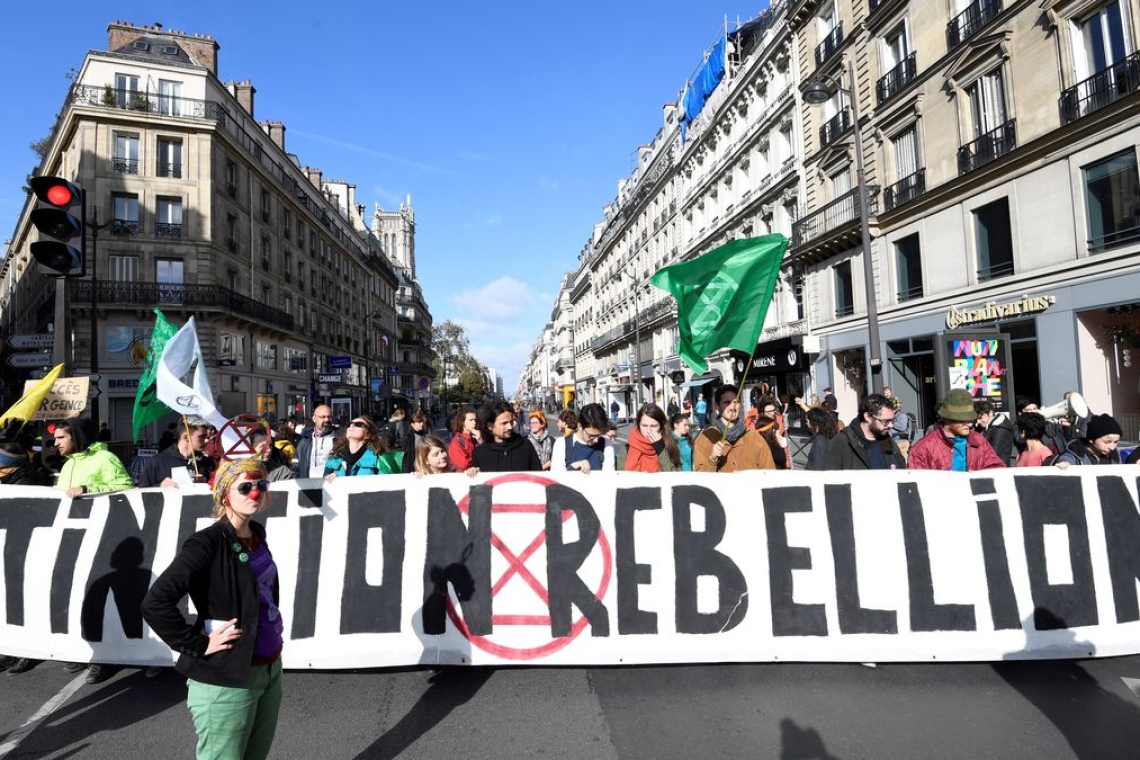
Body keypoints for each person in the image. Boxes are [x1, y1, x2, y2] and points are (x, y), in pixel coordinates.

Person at [142, 458, 284, 760]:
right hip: (227, 680)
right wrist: (197, 644)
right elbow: (156, 603)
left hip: (269, 670)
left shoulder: (256, 534)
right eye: (245, 487)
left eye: (261, 485)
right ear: (224, 495)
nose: (254, 493)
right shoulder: (206, 543)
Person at [908, 389, 1006, 471]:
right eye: (963, 419)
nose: (970, 424)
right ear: (947, 418)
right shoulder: (923, 448)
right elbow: (916, 485)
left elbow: (997, 469)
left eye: (970, 419)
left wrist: (979, 477)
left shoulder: (979, 440)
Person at [693, 385, 776, 472]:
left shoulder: (755, 438)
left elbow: (769, 474)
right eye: (727, 402)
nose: (733, 407)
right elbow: (701, 479)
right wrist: (712, 459)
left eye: (736, 402)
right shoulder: (705, 439)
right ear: (717, 406)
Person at [53, 417, 135, 497]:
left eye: (61, 437)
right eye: (55, 439)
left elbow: (126, 487)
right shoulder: (68, 464)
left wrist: (86, 489)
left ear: (76, 436)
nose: (56, 443)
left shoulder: (105, 458)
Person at [824, 393, 907, 470]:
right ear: (868, 417)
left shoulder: (888, 441)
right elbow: (830, 480)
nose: (891, 425)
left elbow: (901, 474)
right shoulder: (842, 442)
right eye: (886, 421)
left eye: (892, 421)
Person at [137, 416, 215, 487]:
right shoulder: (156, 463)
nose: (207, 440)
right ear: (186, 437)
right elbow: (141, 494)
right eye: (201, 437)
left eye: (207, 437)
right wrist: (160, 486)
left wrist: (207, 483)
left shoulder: (207, 463)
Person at [469, 402, 543, 473]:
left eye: (511, 422)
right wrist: (472, 472)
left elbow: (538, 475)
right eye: (504, 423)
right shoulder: (480, 453)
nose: (510, 427)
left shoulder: (526, 446)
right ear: (490, 426)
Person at [323, 416, 400, 480]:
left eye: (358, 424)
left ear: (368, 435)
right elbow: (323, 484)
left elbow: (390, 487)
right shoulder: (336, 458)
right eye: (350, 424)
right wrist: (329, 479)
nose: (351, 426)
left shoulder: (379, 458)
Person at [551, 403, 615, 473]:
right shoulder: (562, 444)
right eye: (591, 436)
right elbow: (556, 479)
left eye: (599, 436)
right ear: (580, 426)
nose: (596, 440)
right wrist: (573, 467)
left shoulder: (606, 444)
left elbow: (608, 478)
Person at [624, 404, 681, 473]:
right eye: (644, 426)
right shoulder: (627, 448)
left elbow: (675, 477)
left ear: (661, 426)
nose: (648, 431)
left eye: (653, 426)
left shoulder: (670, 445)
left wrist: (660, 448)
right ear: (638, 425)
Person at [1054, 413, 1124, 467]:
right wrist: (1064, 465)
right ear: (1091, 439)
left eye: (1115, 442)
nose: (1112, 447)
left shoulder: (1115, 456)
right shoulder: (1074, 454)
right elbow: (1066, 460)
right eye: (1107, 442)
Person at [295, 405, 338, 478]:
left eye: (329, 417)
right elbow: (295, 465)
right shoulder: (304, 441)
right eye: (323, 417)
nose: (327, 420)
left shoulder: (339, 439)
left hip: (331, 485)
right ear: (314, 419)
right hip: (308, 485)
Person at [750, 394, 790, 470]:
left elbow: (785, 443)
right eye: (769, 411)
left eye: (773, 410)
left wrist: (787, 463)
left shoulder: (778, 420)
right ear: (761, 412)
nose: (772, 413)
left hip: (780, 461)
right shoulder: (754, 425)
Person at [975, 399, 1017, 466]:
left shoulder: (1000, 430)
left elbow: (993, 454)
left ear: (990, 413)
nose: (978, 422)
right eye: (976, 419)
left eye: (980, 418)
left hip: (997, 470)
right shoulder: (989, 427)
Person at [804, 407, 838, 471]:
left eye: (807, 421)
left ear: (814, 423)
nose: (806, 424)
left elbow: (817, 467)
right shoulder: (830, 436)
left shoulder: (820, 440)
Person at [448, 405, 479, 472]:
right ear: (462, 422)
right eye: (471, 420)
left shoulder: (474, 437)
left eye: (475, 420)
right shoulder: (457, 441)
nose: (474, 423)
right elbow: (464, 464)